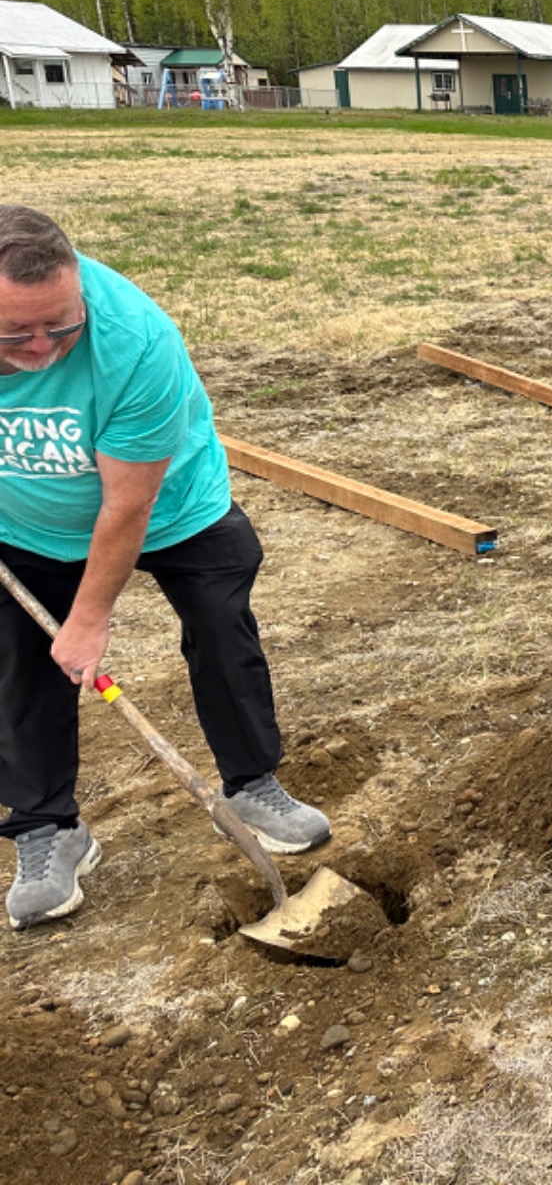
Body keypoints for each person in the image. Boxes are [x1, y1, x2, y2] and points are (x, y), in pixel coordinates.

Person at [0, 206, 330, 931]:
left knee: (221, 625)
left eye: (60, 325)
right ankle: (48, 827)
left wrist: (90, 619)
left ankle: (251, 784)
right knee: (19, 663)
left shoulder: (135, 341)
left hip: (171, 505)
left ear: (78, 284)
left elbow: (127, 505)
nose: (42, 348)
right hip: (23, 521)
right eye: (15, 334)